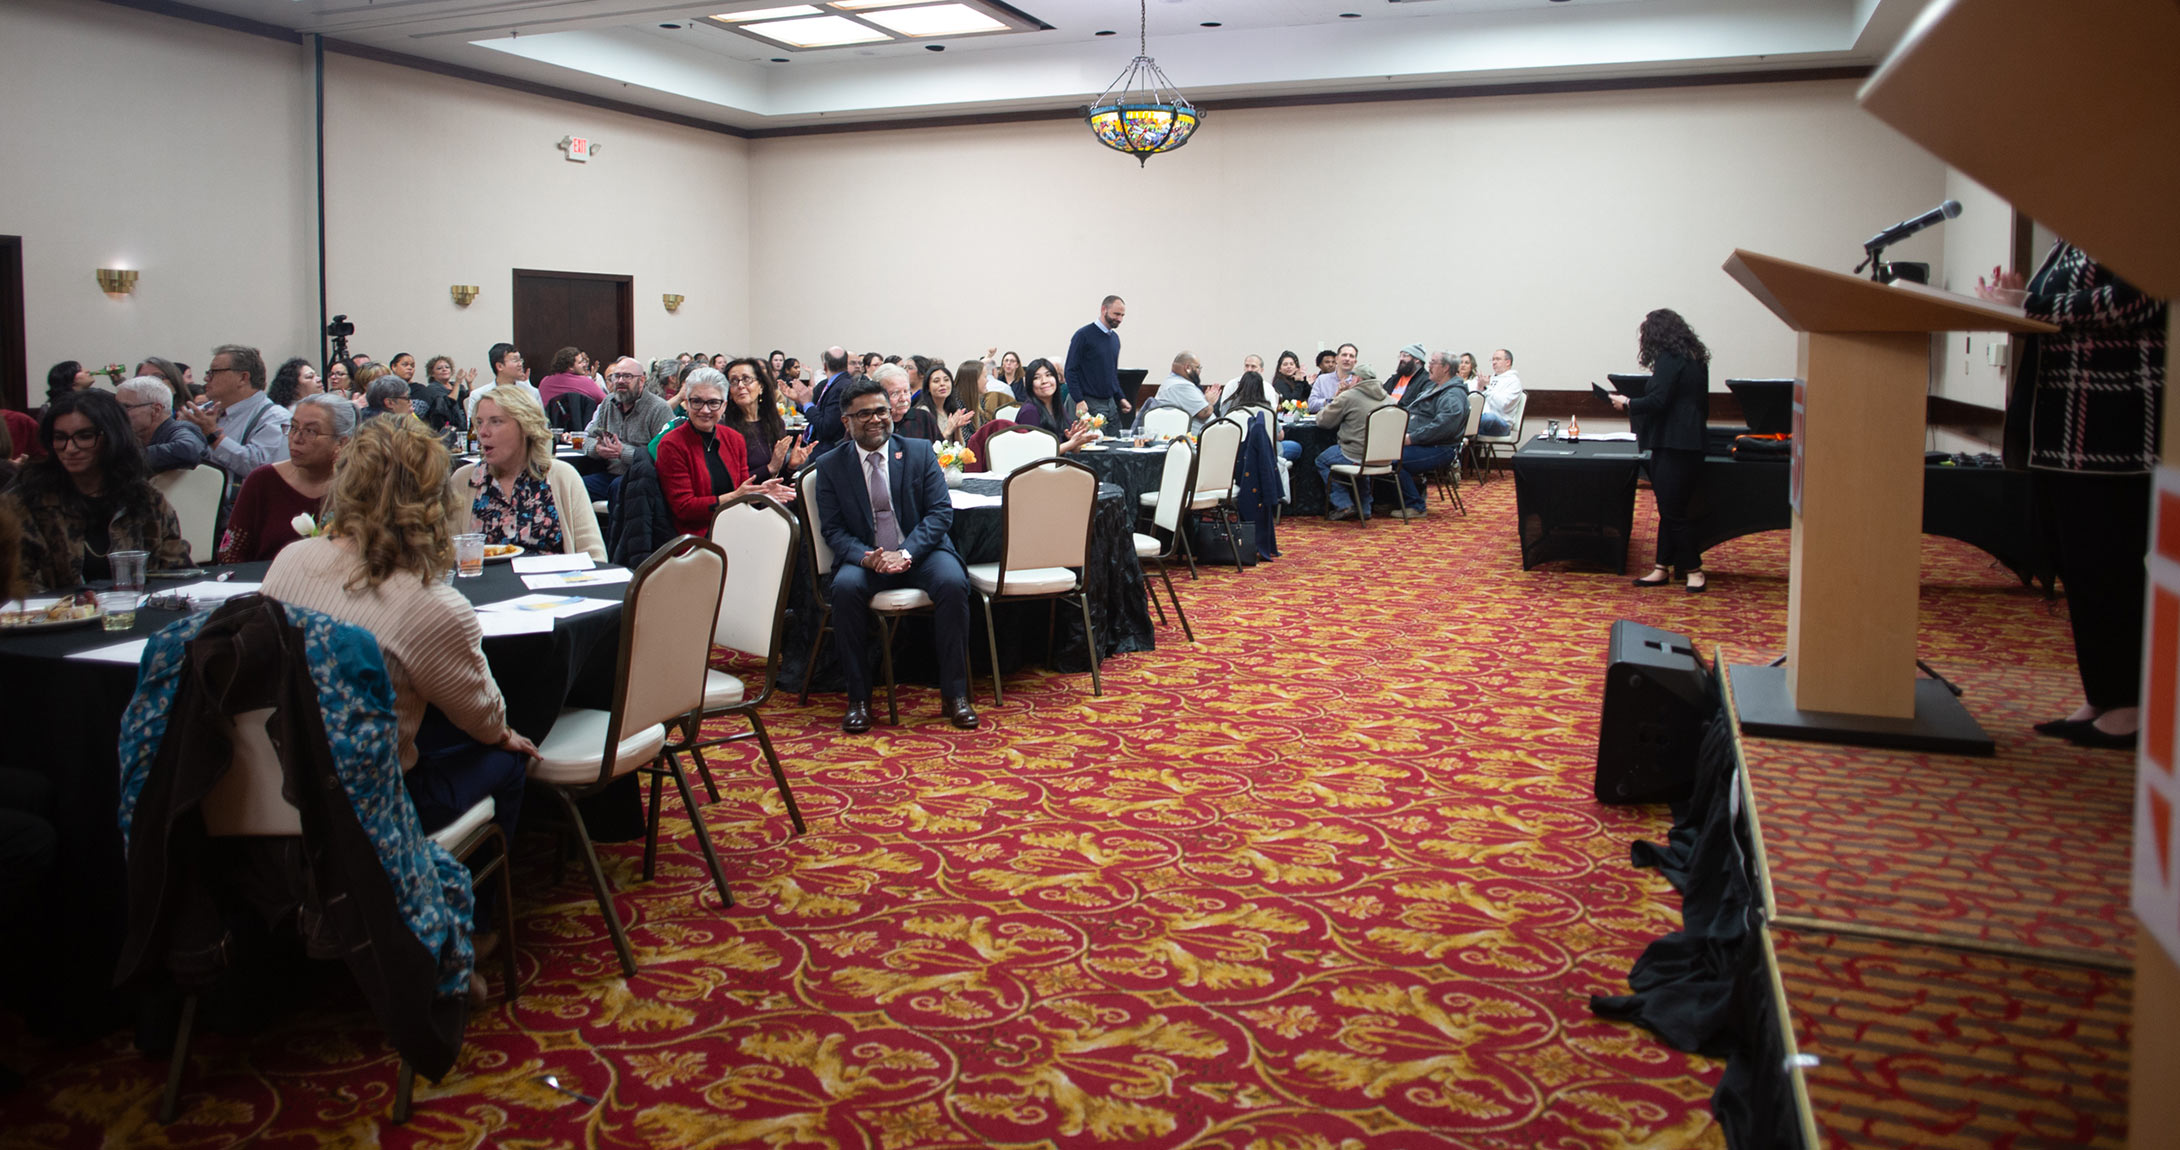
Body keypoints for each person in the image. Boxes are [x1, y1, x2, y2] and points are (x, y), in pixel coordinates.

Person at [259, 416, 536, 876]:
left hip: (274, 774)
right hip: (370, 797)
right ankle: (479, 921)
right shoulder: (432, 604)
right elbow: (484, 720)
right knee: (507, 759)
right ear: (435, 501)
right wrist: (507, 736)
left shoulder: (290, 559)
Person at [1980, 242, 2168, 748]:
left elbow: (2142, 300)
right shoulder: (2074, 237)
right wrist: (2015, 298)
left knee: (2111, 563)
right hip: (2061, 430)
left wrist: (2028, 305)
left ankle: (2133, 703)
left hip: (2115, 426)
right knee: (2077, 564)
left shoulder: (2142, 221)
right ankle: (2103, 695)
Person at [810, 373, 978, 734]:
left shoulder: (917, 452)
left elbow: (939, 514)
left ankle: (955, 695)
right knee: (844, 589)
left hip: (921, 551)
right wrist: (866, 556)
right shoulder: (830, 465)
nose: (875, 419)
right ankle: (858, 699)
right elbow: (833, 530)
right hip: (866, 557)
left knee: (952, 582)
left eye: (881, 411)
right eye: (864, 414)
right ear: (846, 421)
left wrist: (905, 553)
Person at [0, 390, 191, 591]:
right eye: (60, 438)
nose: (70, 448)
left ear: (111, 438)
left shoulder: (145, 500)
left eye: (84, 436)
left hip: (136, 614)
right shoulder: (25, 502)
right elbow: (16, 586)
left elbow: (177, 573)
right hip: (50, 617)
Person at [1606, 312, 1711, 591]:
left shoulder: (1669, 358)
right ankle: (1661, 568)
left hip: (1674, 442)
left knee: (1672, 511)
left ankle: (1694, 569)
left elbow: (1658, 400)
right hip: (1692, 441)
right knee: (1671, 507)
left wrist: (1627, 402)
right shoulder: (1694, 357)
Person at [452, 385, 606, 561]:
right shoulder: (464, 481)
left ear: (525, 427)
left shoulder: (561, 477)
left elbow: (593, 555)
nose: (483, 432)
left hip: (554, 584)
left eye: (496, 421)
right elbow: (444, 556)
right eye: (479, 422)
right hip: (483, 585)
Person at [654, 367, 796, 536]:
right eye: (697, 402)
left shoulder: (734, 439)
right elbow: (684, 509)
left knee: (785, 531)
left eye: (713, 403)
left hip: (736, 526)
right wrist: (736, 497)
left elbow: (741, 490)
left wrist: (759, 494)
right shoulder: (672, 444)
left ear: (724, 406)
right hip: (696, 539)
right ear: (687, 402)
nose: (705, 410)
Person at [217, 394, 354, 563]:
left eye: (311, 431)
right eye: (293, 428)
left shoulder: (357, 485)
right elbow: (230, 555)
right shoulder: (263, 481)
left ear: (341, 442)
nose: (296, 439)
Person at [175, 343, 291, 492]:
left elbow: (261, 469)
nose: (206, 378)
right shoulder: (205, 411)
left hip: (242, 509)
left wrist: (214, 437)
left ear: (243, 378)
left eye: (213, 372)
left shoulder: (274, 417)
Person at [1390, 351, 1473, 519]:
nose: (1429, 366)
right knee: (1383, 453)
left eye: (1433, 362)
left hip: (1440, 448)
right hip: (1424, 443)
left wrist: (1412, 437)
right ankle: (1390, 501)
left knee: (1394, 460)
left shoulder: (1452, 394)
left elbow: (1444, 426)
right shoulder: (1436, 387)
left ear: (1446, 368)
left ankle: (1416, 505)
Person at [580, 356, 675, 503]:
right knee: (575, 488)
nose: (620, 381)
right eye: (616, 376)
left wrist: (622, 452)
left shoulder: (658, 408)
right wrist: (597, 449)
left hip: (643, 479)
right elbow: (588, 439)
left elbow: (664, 456)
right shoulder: (608, 403)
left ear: (642, 381)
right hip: (610, 475)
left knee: (618, 488)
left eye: (627, 376)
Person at [1314, 364, 1390, 521]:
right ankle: (1365, 507)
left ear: (1358, 379)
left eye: (1351, 377)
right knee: (1364, 459)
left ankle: (1344, 504)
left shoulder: (1349, 396)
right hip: (1385, 457)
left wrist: (1337, 397)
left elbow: (1323, 421)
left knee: (1322, 460)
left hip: (1355, 454)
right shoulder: (1389, 399)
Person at [720, 357, 811, 482]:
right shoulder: (724, 428)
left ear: (761, 386)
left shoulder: (775, 423)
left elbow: (778, 478)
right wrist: (769, 468)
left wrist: (790, 466)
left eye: (746, 379)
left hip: (771, 496)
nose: (740, 385)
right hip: (743, 499)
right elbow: (729, 482)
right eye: (734, 381)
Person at [117, 376, 208, 475]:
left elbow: (188, 449)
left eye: (125, 407)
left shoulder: (181, 429)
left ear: (156, 410)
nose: (117, 413)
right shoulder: (129, 437)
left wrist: (125, 458)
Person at [1065, 294, 1129, 426]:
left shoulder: (1114, 339)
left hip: (1110, 404)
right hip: (1088, 403)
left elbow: (1111, 374)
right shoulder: (1083, 335)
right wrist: (1079, 400)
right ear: (1104, 309)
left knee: (1117, 442)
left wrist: (1120, 397)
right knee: (1091, 445)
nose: (1119, 319)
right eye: (1116, 314)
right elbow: (1070, 370)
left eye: (1122, 315)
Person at [1140, 352, 1221, 430]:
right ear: (1188, 368)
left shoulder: (1175, 382)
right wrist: (1209, 402)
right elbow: (1204, 413)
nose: (1199, 372)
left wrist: (1205, 400)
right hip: (1193, 440)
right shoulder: (1181, 386)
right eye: (1198, 368)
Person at [465, 342, 538, 422]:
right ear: (500, 366)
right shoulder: (479, 395)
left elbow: (541, 426)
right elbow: (473, 429)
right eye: (515, 360)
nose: (520, 364)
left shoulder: (531, 392)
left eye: (520, 360)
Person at [914, 363, 977, 444]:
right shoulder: (923, 412)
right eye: (936, 381)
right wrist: (948, 430)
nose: (942, 384)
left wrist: (957, 428)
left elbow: (960, 448)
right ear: (928, 387)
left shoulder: (951, 408)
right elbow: (928, 450)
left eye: (946, 380)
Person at [809, 347, 855, 453]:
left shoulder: (841, 387)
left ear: (825, 366)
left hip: (829, 449)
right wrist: (800, 401)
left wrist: (806, 404)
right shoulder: (826, 384)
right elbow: (818, 413)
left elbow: (826, 428)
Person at [410, 354, 467, 433]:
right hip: (448, 427)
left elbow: (471, 399)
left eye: (447, 367)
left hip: (463, 423)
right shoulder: (432, 388)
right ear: (432, 373)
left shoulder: (458, 386)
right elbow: (449, 402)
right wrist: (457, 382)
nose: (444, 369)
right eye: (439, 368)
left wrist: (469, 383)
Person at [538, 346, 605, 408]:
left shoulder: (544, 382)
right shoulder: (586, 382)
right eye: (580, 362)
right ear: (570, 367)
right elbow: (607, 402)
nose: (584, 364)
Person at [884, 369, 940, 442]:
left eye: (906, 391)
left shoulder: (924, 418)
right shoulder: (877, 424)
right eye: (895, 393)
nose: (903, 399)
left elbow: (940, 450)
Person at [1478, 348, 1523, 436]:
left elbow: (1503, 405)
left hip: (1502, 423)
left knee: (1488, 418)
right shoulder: (1490, 379)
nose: (1494, 362)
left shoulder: (1514, 381)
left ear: (1508, 362)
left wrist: (1487, 388)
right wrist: (1480, 389)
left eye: (1498, 359)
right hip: (1483, 420)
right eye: (1493, 359)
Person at [1308, 344, 1359, 413]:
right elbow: (1311, 406)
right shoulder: (1322, 380)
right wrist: (1332, 400)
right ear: (1336, 359)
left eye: (1351, 356)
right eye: (1344, 355)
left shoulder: (1359, 381)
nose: (1347, 359)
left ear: (1355, 361)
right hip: (1325, 421)